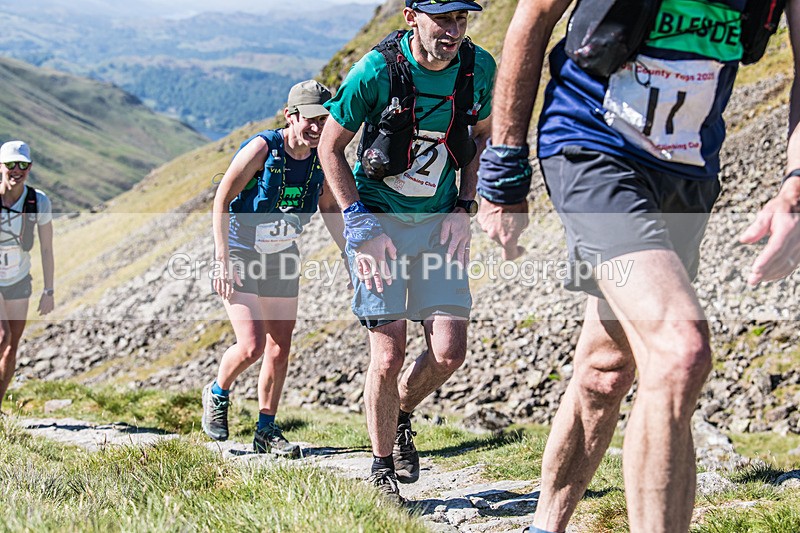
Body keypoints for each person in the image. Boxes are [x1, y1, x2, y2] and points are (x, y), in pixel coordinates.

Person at [476, 0, 800, 531]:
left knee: (606, 370)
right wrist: (504, 169)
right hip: (593, 145)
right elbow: (532, 18)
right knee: (679, 350)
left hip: (687, 170)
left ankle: (544, 526)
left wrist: (795, 185)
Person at [318, 0, 495, 503]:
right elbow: (331, 147)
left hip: (439, 225)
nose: (454, 30)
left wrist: (464, 206)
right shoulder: (376, 71)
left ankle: (399, 414)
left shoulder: (478, 67)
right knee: (389, 350)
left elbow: (481, 136)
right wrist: (359, 225)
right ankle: (381, 470)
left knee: (449, 352)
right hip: (379, 224)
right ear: (411, 17)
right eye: (443, 19)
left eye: (462, 18)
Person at [202, 80, 346, 458]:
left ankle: (266, 429)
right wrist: (221, 258)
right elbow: (222, 198)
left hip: (282, 257)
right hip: (241, 250)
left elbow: (329, 207)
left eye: (324, 119)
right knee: (252, 345)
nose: (318, 127)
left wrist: (349, 254)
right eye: (311, 119)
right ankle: (217, 393)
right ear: (290, 115)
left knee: (280, 346)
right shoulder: (263, 148)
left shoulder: (322, 156)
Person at [0, 140, 55, 411]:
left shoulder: (38, 201)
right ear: (1, 167)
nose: (16, 170)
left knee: (12, 345)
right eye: (11, 164)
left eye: (22, 165)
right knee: (2, 336)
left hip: (19, 279)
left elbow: (46, 248)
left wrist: (49, 290)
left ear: (30, 167)